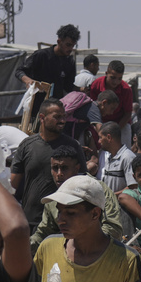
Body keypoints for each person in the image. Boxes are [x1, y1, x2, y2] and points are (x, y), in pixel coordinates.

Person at [10, 98, 87, 230]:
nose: (62, 121)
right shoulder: (27, 145)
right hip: (31, 221)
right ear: (42, 117)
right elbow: (12, 186)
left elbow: (82, 182)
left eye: (64, 116)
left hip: (61, 223)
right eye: (57, 117)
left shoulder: (73, 146)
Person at [31, 146, 121, 250]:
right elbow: (43, 233)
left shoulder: (97, 189)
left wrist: (81, 242)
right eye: (55, 168)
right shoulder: (53, 199)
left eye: (64, 168)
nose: (59, 174)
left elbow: (113, 228)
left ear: (77, 168)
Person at [15, 24, 80, 119]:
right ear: (59, 41)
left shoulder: (69, 62)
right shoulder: (42, 55)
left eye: (73, 46)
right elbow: (19, 71)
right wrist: (28, 81)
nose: (70, 49)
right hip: (36, 111)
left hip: (55, 112)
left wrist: (81, 90)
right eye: (68, 45)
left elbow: (68, 87)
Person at [87, 60, 134, 147]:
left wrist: (116, 130)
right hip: (100, 122)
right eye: (113, 77)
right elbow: (93, 108)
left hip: (120, 123)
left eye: (119, 78)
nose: (115, 82)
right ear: (106, 73)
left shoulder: (126, 90)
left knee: (124, 148)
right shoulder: (96, 85)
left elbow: (128, 113)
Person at [95, 121, 137, 194]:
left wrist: (112, 197)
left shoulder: (128, 157)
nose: (99, 141)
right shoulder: (109, 157)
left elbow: (133, 187)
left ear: (109, 138)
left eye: (100, 137)